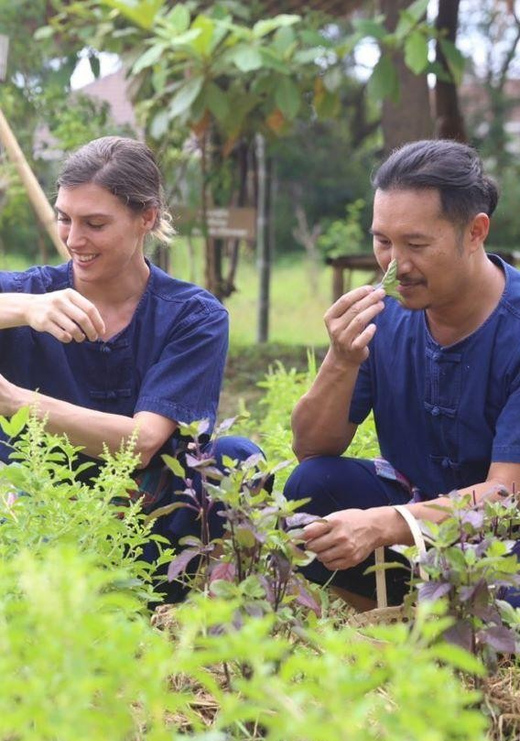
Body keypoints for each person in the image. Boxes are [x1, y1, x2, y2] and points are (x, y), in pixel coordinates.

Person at [0, 135, 260, 602]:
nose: (74, 239)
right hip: (28, 518)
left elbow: (140, 445)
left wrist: (14, 401)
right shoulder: (29, 294)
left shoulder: (192, 316)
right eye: (65, 218)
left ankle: (177, 609)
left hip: (142, 527)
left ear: (147, 218)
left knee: (237, 460)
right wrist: (23, 308)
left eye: (95, 223)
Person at [284, 139, 520, 610]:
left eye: (416, 244)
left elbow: (504, 497)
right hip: (424, 516)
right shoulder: (385, 314)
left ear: (475, 232)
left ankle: (461, 624)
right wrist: (341, 359)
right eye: (382, 241)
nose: (395, 264)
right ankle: (395, 616)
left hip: (506, 538)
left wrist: (384, 523)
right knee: (310, 487)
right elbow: (312, 447)